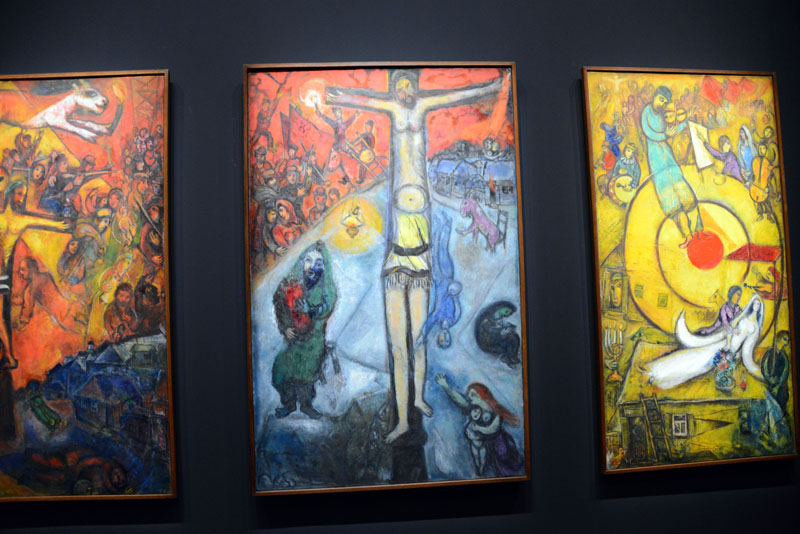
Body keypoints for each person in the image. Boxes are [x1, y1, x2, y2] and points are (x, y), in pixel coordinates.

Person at [327, 68, 504, 442]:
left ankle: (419, 399)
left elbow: (455, 97)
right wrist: (341, 96)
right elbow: (368, 101)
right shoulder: (394, 110)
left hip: (421, 261)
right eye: (401, 85)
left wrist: (489, 87)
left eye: (410, 85)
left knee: (418, 340)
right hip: (396, 260)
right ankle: (403, 420)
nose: (406, 91)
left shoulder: (422, 107)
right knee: (398, 347)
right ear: (396, 89)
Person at [272, 242, 337, 419]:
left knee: (307, 375)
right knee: (283, 370)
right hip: (292, 339)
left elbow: (328, 305)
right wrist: (284, 328)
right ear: (301, 262)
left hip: (313, 341)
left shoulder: (326, 287)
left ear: (324, 266)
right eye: (308, 260)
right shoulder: (291, 282)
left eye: (318, 263)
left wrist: (312, 310)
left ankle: (307, 405)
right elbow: (279, 303)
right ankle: (289, 404)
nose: (312, 267)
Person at [641, 86, 703, 248]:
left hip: (669, 159)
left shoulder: (663, 115)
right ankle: (688, 236)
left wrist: (685, 120)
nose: (662, 104)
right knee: (672, 204)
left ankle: (699, 231)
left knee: (686, 194)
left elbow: (672, 131)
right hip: (657, 163)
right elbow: (648, 133)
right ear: (655, 96)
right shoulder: (646, 112)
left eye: (665, 102)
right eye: (661, 100)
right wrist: (664, 135)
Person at [435, 373, 523, 477]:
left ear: (482, 395)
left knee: (506, 469)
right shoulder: (474, 408)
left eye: (473, 394)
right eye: (469, 395)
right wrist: (445, 386)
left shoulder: (495, 410)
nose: (469, 397)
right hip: (484, 447)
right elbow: (459, 400)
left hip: (500, 445)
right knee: (485, 471)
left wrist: (478, 428)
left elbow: (493, 429)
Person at [761, 330, 790, 414]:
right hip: (770, 384)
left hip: (780, 387)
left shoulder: (784, 356)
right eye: (785, 339)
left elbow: (785, 373)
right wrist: (769, 379)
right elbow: (764, 368)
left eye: (787, 340)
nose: (786, 342)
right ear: (778, 338)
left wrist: (778, 386)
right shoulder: (769, 353)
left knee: (781, 402)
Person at [749, 144, 777, 222]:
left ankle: (769, 215)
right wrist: (750, 180)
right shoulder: (755, 161)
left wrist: (768, 188)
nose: (761, 151)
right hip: (755, 185)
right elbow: (753, 174)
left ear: (766, 150)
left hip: (765, 186)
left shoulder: (767, 163)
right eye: (760, 148)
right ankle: (760, 214)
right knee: (756, 200)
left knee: (766, 201)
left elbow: (770, 178)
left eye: (763, 148)